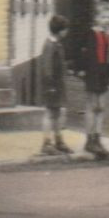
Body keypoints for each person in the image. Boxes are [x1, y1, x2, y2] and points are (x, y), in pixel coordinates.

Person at [80, 4, 109, 159]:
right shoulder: (92, 33)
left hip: (104, 73)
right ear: (97, 18)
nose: (106, 20)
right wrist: (82, 70)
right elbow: (85, 54)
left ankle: (98, 138)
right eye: (103, 17)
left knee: (101, 106)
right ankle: (89, 140)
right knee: (92, 105)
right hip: (92, 72)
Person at [36, 14, 72, 156]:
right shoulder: (50, 45)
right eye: (65, 29)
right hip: (51, 85)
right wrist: (50, 85)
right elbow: (47, 67)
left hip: (57, 84)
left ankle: (58, 141)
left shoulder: (56, 43)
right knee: (49, 113)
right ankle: (46, 143)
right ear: (60, 30)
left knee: (57, 112)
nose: (67, 32)